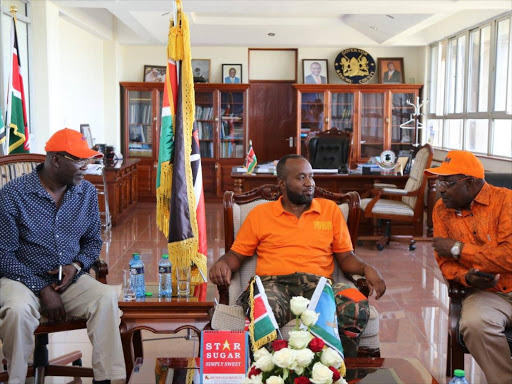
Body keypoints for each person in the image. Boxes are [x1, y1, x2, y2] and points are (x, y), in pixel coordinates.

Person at [209, 154, 386, 356]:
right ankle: (272, 370)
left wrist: (366, 268)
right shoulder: (260, 214)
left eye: (311, 176)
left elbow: (346, 258)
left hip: (320, 286)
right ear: (282, 184)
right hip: (273, 284)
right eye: (301, 177)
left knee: (355, 303)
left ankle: (336, 366)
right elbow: (237, 256)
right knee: (262, 308)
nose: (309, 183)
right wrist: (222, 263)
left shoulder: (330, 210)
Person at [0, 129, 126, 384]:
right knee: (17, 310)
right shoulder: (13, 194)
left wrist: (76, 265)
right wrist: (42, 288)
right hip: (20, 279)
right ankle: (15, 379)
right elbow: (4, 255)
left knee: (105, 299)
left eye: (88, 160)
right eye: (79, 161)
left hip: (69, 280)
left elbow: (92, 242)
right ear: (56, 160)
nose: (86, 167)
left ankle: (106, 380)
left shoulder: (86, 193)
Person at [426, 150, 512, 384]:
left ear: (471, 183)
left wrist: (458, 249)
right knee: (475, 324)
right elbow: (444, 262)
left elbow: (509, 257)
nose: (440, 188)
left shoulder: (505, 201)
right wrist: (467, 277)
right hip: (487, 294)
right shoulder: (441, 210)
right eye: (439, 181)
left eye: (447, 182)